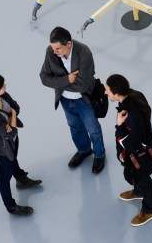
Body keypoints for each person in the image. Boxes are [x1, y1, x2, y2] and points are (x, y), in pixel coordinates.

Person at [39, 26, 107, 174]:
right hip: (65, 99)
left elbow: (82, 85)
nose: (54, 52)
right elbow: (44, 78)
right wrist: (68, 79)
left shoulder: (84, 53)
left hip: (84, 99)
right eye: (53, 48)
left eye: (58, 48)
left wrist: (58, 82)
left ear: (68, 44)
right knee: (74, 126)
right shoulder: (51, 51)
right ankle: (84, 150)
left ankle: (99, 155)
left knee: (93, 129)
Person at [0, 73, 42, 216]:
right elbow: (9, 132)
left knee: (13, 158)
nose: (5, 86)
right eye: (2, 85)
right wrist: (12, 115)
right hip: (1, 146)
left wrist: (10, 121)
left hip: (11, 140)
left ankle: (20, 178)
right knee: (4, 174)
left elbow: (16, 106)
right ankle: (11, 207)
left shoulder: (2, 95)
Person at [105, 74, 152, 227]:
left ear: (116, 93)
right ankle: (138, 191)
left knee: (143, 178)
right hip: (136, 148)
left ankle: (150, 209)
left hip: (137, 152)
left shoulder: (130, 116)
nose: (105, 92)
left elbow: (133, 144)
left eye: (107, 90)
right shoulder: (134, 94)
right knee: (130, 174)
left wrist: (119, 125)